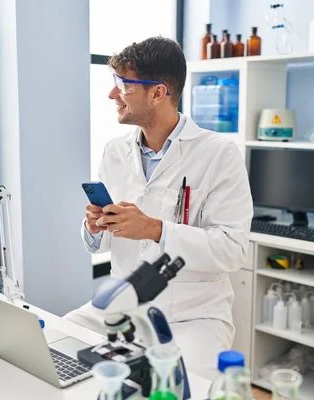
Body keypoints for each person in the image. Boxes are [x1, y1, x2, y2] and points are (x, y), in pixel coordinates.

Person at [63, 36, 253, 379]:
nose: (112, 95)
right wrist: (94, 227)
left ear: (158, 92)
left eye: (122, 85)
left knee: (185, 385)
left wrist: (156, 229)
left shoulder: (218, 154)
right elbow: (103, 244)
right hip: (122, 304)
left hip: (193, 313)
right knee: (57, 341)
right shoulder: (114, 151)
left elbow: (233, 249)